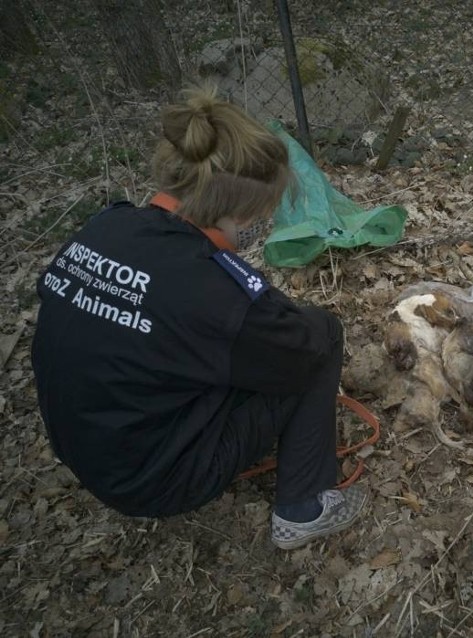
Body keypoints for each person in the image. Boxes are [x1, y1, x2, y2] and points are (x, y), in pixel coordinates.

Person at [31, 85, 367, 549]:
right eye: (259, 213)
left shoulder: (105, 227)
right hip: (152, 480)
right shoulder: (210, 287)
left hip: (88, 450)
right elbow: (295, 343)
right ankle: (304, 509)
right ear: (239, 208)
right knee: (320, 335)